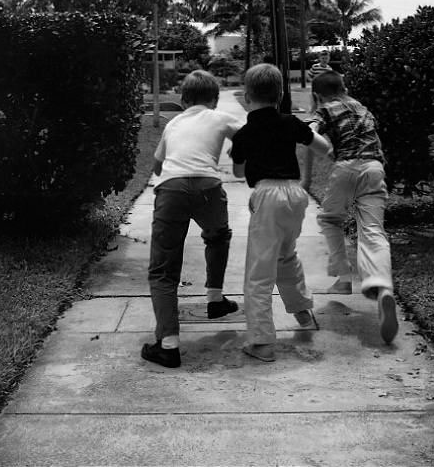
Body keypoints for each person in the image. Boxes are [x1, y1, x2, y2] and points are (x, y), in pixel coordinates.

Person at [141, 70, 243, 368]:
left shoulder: (173, 123)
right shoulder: (219, 117)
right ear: (214, 99)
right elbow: (249, 135)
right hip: (208, 187)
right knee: (217, 235)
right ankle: (214, 297)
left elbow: (157, 166)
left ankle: (168, 344)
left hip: (171, 189)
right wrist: (238, 153)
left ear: (183, 100)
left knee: (163, 269)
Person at [230, 63, 332, 363]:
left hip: (267, 194)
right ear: (281, 94)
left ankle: (261, 341)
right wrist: (309, 127)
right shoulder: (291, 123)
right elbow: (324, 148)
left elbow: (238, 173)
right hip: (295, 195)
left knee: (259, 271)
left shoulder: (245, 133)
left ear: (247, 96)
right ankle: (302, 311)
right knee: (286, 255)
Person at [307, 70, 398, 344]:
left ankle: (344, 277)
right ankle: (382, 287)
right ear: (344, 86)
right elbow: (375, 140)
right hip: (374, 168)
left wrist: (326, 152)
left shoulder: (323, 108)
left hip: (346, 167)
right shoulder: (361, 106)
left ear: (317, 94)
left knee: (330, 220)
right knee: (373, 230)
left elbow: (308, 133)